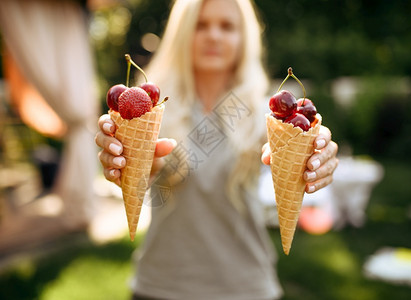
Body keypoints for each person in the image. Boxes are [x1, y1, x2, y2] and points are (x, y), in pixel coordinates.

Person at [95, 0, 339, 299]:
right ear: (182, 32)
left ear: (244, 37)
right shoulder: (152, 107)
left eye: (226, 26)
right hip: (161, 284)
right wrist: (129, 164)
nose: (213, 35)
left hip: (245, 286)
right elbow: (148, 181)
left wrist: (317, 156)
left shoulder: (267, 112)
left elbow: (300, 157)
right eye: (201, 25)